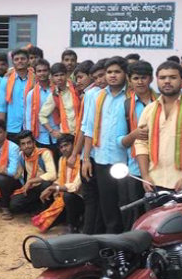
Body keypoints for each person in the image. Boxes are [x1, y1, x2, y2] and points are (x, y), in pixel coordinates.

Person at [134, 61, 182, 193]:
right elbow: (141, 143)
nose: (167, 81)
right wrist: (145, 176)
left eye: (173, 77)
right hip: (153, 182)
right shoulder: (149, 109)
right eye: (162, 78)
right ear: (157, 80)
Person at [80, 56, 130, 234]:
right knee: (107, 205)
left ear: (125, 74)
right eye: (109, 72)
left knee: (125, 205)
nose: (112, 75)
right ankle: (109, 243)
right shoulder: (98, 96)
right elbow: (89, 129)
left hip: (125, 161)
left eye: (117, 72)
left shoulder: (131, 96)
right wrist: (86, 159)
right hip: (101, 159)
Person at [118, 60, 156, 227]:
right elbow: (120, 141)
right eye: (136, 78)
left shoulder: (162, 101)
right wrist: (134, 135)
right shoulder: (125, 106)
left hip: (159, 168)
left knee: (156, 214)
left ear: (151, 79)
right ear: (129, 80)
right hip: (134, 169)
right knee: (135, 216)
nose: (140, 82)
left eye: (144, 77)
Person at [32, 135, 84, 233]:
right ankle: (64, 219)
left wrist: (55, 188)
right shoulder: (62, 160)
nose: (64, 149)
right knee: (48, 188)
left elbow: (75, 187)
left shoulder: (81, 161)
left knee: (68, 196)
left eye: (66, 145)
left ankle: (73, 227)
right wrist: (52, 187)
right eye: (61, 147)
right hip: (62, 198)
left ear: (74, 145)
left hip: (79, 199)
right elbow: (59, 179)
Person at [39, 63, 80, 162]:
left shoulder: (76, 88)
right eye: (56, 75)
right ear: (52, 78)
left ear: (66, 75)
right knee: (67, 165)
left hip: (81, 133)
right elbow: (42, 115)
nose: (59, 78)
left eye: (62, 75)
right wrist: (52, 131)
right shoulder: (54, 95)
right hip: (66, 136)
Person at [9, 130, 57, 215]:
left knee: (46, 184)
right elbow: (18, 174)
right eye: (23, 144)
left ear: (34, 143)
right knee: (14, 205)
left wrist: (31, 181)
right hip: (31, 188)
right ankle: (37, 207)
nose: (26, 146)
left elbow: (52, 175)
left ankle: (44, 209)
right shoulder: (21, 155)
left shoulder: (44, 153)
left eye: (29, 143)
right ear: (20, 146)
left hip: (44, 186)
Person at [71, 59, 107, 164]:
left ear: (89, 76)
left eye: (81, 77)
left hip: (94, 150)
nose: (78, 81)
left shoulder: (91, 94)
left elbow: (86, 126)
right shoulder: (91, 93)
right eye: (77, 78)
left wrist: (75, 154)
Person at [0, 48, 34, 140]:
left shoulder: (35, 80)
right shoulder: (6, 80)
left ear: (28, 60)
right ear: (13, 62)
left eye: (23, 59)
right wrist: (1, 130)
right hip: (12, 127)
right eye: (16, 59)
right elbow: (1, 107)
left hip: (31, 126)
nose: (20, 61)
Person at [24, 59, 56, 155]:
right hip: (40, 137)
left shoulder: (57, 90)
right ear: (35, 73)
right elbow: (28, 118)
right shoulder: (31, 94)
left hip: (57, 135)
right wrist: (30, 138)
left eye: (45, 70)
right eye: (39, 71)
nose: (42, 73)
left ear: (49, 72)